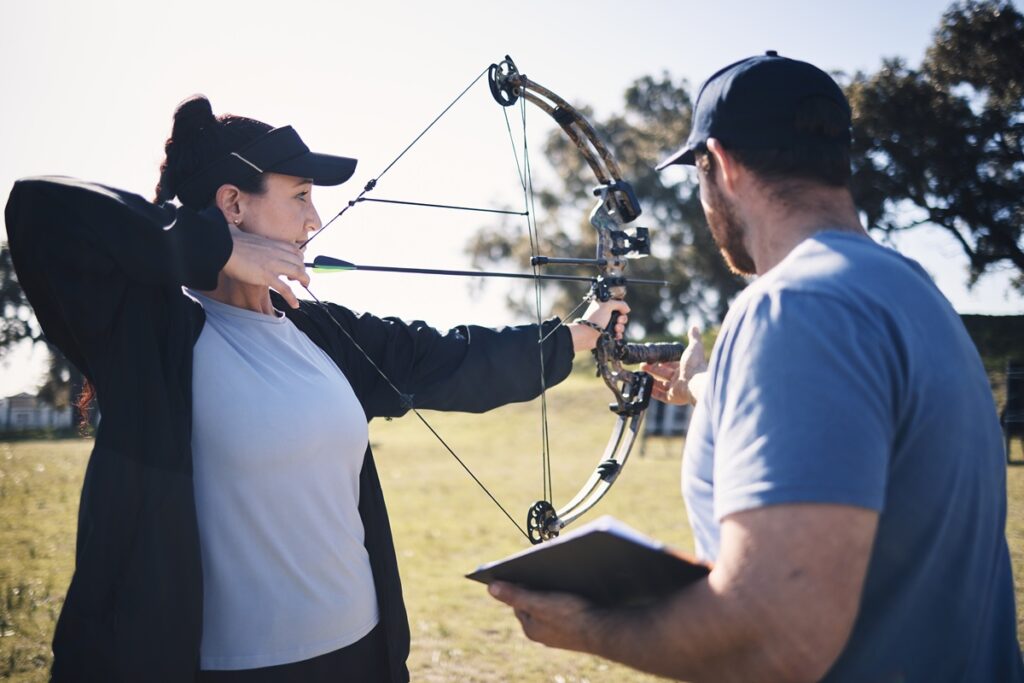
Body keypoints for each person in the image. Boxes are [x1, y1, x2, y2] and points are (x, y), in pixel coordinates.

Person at [4, 95, 629, 682]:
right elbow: (41, 207)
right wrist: (216, 250)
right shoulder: (150, 335)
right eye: (301, 195)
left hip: (361, 652)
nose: (316, 218)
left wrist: (579, 334)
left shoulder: (317, 331)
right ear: (233, 204)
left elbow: (447, 358)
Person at [487, 51, 1024, 681]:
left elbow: (779, 637)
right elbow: (852, 428)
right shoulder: (911, 290)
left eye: (698, 175)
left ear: (720, 164)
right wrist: (707, 384)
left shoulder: (793, 306)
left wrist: (587, 627)